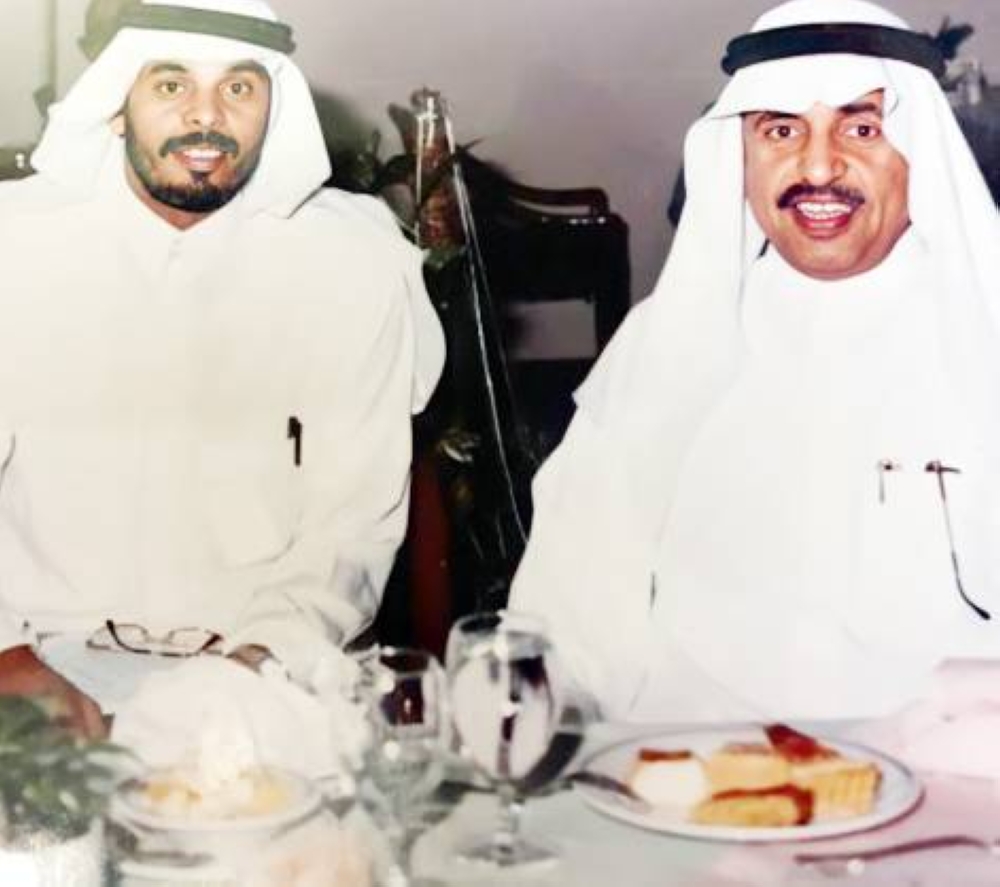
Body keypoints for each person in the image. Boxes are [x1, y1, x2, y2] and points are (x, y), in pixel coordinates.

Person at [511, 0, 1000, 723]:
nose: (818, 166)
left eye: (862, 129)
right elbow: (568, 613)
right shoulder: (663, 341)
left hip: (950, 762)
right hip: (690, 754)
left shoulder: (984, 329)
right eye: (780, 130)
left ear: (919, 152)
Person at [0, 0, 444, 736]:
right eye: (171, 85)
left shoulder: (351, 262)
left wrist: (259, 663)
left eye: (238, 88)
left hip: (271, 664)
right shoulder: (14, 248)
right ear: (117, 104)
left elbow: (353, 521)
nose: (206, 117)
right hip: (38, 656)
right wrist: (8, 658)